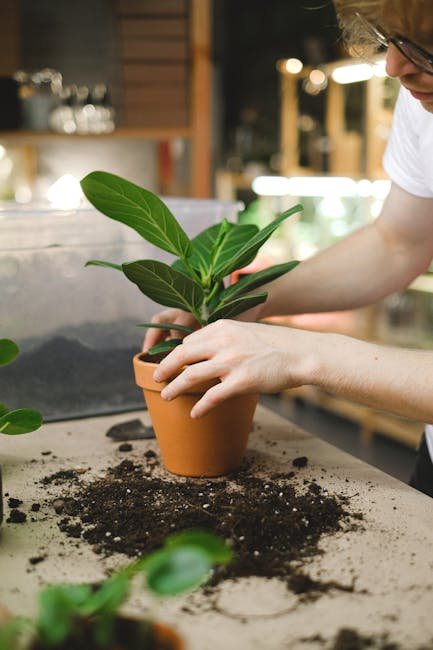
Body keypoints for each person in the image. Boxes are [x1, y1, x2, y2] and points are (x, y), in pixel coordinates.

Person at [144, 0, 433, 498]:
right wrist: (250, 298)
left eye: (426, 47)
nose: (396, 67)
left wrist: (306, 355)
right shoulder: (423, 100)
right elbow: (398, 242)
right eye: (392, 41)